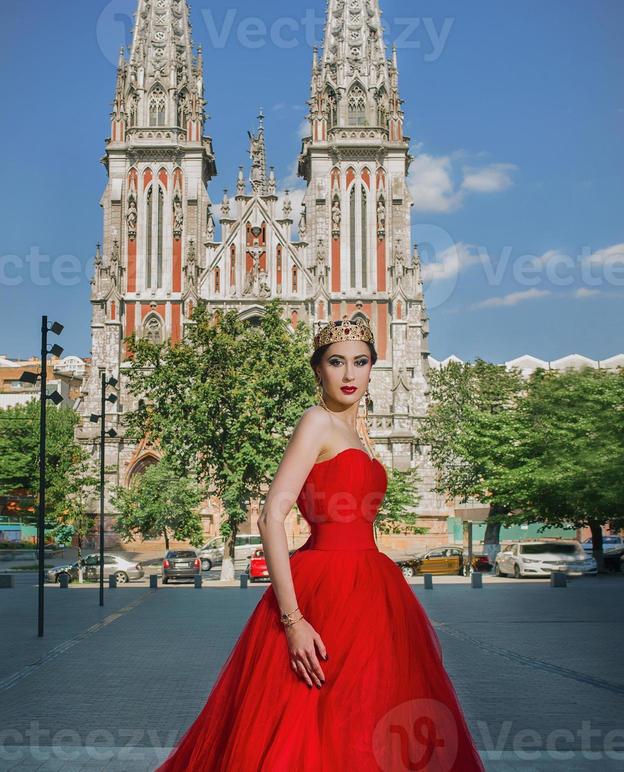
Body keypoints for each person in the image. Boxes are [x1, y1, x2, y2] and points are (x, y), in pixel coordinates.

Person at [154, 313, 485, 771]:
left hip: (374, 591)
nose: (349, 374)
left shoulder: (360, 435)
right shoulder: (316, 422)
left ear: (372, 367)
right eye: (336, 362)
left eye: (361, 362)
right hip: (323, 590)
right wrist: (292, 620)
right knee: (311, 725)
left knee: (366, 721)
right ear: (318, 370)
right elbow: (272, 516)